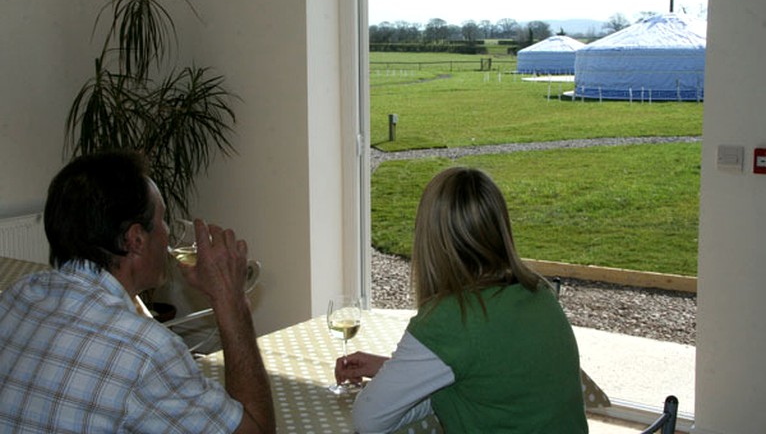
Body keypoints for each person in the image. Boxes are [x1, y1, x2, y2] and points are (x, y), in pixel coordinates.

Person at [0, 150, 275, 433]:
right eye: (163, 221)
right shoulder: (149, 351)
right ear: (136, 239)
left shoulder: (15, 297)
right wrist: (231, 300)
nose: (168, 233)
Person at [335, 167, 587, 433]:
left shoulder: (451, 319)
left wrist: (394, 384)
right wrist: (395, 371)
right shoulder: (538, 293)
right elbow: (490, 380)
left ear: (431, 241)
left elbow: (368, 420)